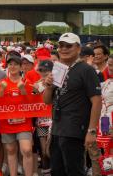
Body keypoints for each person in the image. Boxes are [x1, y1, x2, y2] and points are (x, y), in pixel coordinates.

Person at [43, 33, 102, 176]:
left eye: (68, 46)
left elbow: (97, 101)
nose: (63, 49)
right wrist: (49, 86)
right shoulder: (58, 68)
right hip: (57, 128)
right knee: (57, 171)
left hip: (75, 130)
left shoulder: (86, 70)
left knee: (74, 171)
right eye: (61, 45)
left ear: (78, 48)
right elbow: (47, 101)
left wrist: (91, 131)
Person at [0, 56, 33, 176]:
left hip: (24, 122)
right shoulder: (2, 83)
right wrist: (1, 90)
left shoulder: (26, 82)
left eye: (15, 64)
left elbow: (31, 104)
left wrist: (23, 89)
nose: (12, 67)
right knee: (11, 150)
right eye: (10, 64)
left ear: (21, 66)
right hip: (6, 123)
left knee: (27, 150)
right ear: (7, 66)